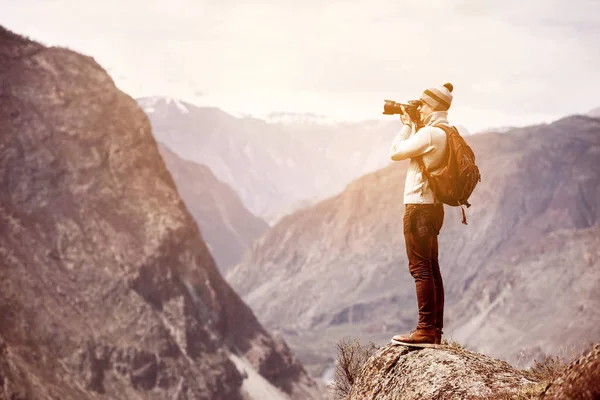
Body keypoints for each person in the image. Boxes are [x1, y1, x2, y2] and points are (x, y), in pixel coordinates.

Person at [388, 82, 454, 346]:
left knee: (420, 269)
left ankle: (425, 330)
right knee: (432, 268)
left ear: (434, 106)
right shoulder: (443, 131)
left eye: (423, 104)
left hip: (419, 208)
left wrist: (406, 125)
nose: (420, 108)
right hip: (433, 208)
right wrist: (415, 122)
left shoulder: (429, 134)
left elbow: (395, 153)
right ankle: (434, 331)